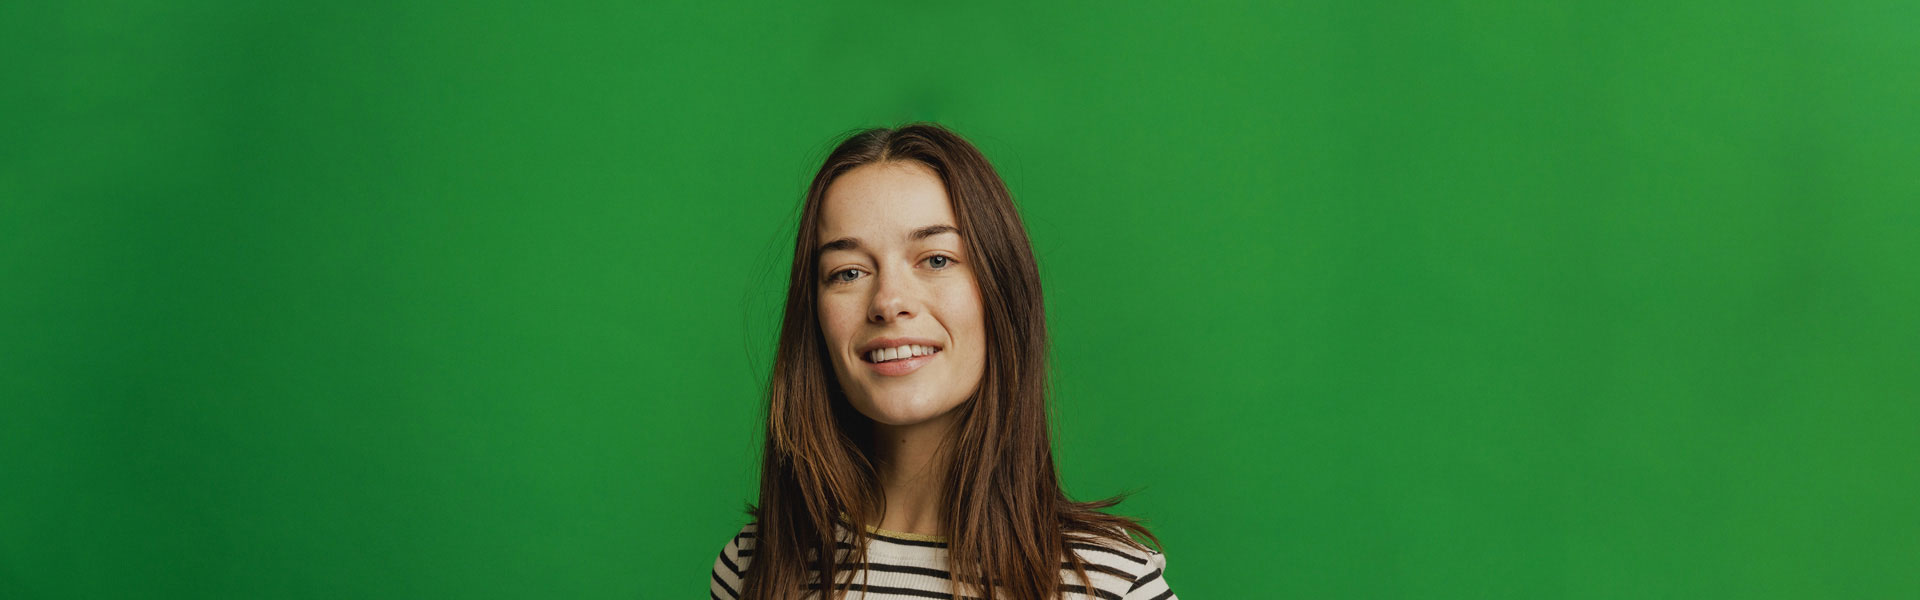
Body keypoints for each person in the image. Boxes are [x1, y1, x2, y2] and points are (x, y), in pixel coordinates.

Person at [710, 124, 1177, 600]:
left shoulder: (1109, 585)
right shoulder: (752, 568)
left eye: (936, 259)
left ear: (1002, 293)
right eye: (848, 272)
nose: (889, 301)